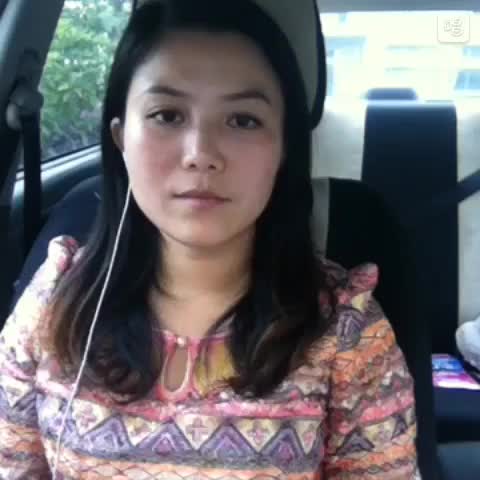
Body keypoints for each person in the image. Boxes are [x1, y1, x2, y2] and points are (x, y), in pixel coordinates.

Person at [0, 0, 419, 478]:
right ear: (120, 138)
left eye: (243, 120)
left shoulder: (345, 332)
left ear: (284, 148)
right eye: (167, 115)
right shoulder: (53, 304)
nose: (200, 153)